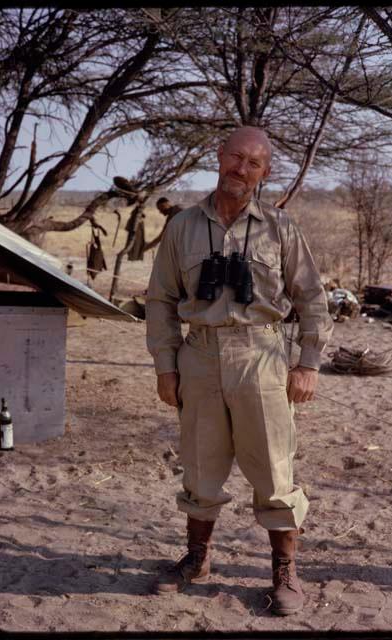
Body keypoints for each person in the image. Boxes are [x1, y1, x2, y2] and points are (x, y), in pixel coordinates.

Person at [145, 126, 333, 615]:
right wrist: (166, 366)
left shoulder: (280, 228)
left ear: (265, 172)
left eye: (253, 163)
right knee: (200, 465)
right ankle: (197, 559)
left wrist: (307, 363)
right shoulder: (182, 225)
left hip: (262, 358)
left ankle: (284, 574)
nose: (241, 169)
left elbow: (313, 299)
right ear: (218, 156)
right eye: (234, 157)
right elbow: (161, 300)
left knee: (274, 469)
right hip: (199, 356)